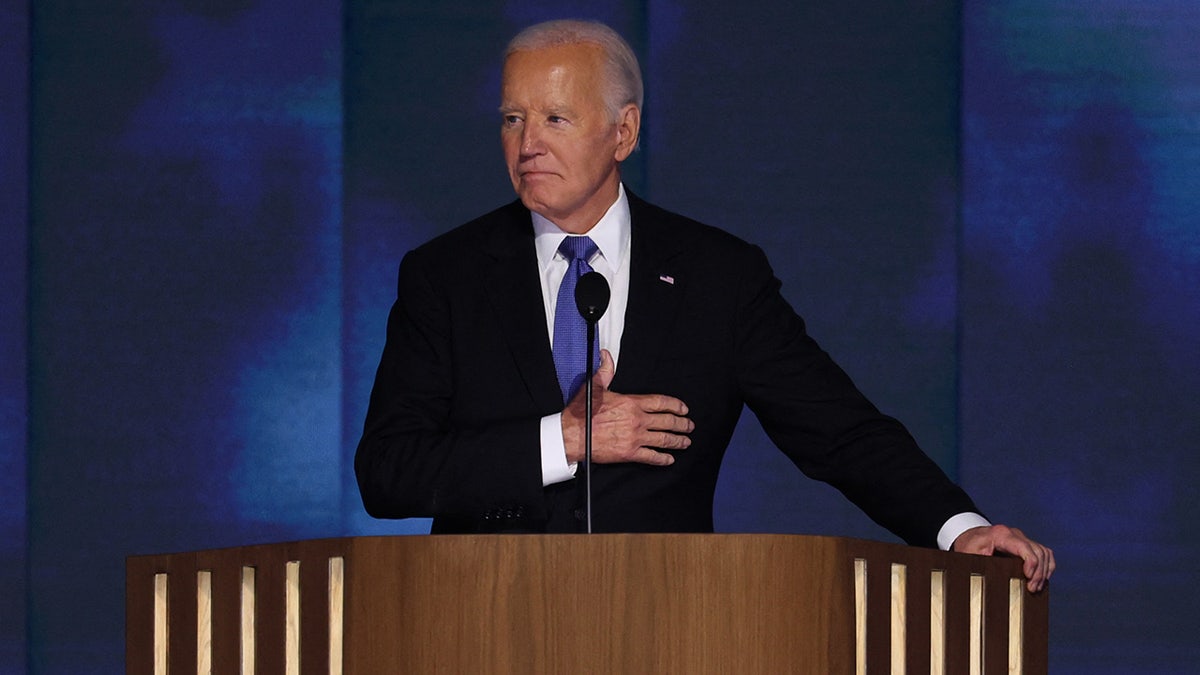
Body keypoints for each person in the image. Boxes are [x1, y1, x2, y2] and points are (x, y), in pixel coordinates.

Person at [356, 19, 1055, 592]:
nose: (527, 143)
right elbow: (388, 471)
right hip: (479, 625)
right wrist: (563, 440)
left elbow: (840, 431)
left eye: (556, 117)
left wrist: (958, 527)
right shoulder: (444, 276)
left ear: (624, 132)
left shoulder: (717, 276)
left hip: (673, 624)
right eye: (512, 118)